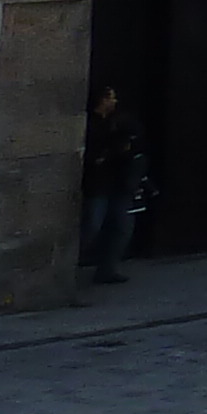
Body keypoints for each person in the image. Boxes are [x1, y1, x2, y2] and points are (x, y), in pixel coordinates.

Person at [79, 87, 144, 284]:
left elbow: (133, 140)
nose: (114, 102)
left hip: (119, 181)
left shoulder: (119, 121)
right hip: (98, 183)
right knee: (92, 226)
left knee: (122, 227)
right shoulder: (91, 124)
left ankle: (107, 268)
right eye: (110, 98)